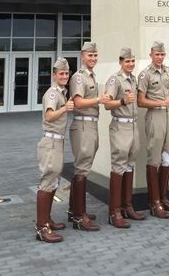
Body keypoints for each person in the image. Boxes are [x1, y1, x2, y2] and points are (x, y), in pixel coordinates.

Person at [68, 42, 110, 231]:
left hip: (90, 124)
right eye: (89, 56)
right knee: (82, 169)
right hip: (83, 124)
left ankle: (74, 210)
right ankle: (79, 216)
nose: (93, 59)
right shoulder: (79, 77)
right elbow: (78, 101)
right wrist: (98, 100)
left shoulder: (91, 76)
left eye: (95, 55)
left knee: (83, 168)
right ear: (82, 56)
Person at [137, 40, 169, 218]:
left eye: (162, 54)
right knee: (154, 159)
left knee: (168, 157)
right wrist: (161, 103)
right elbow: (140, 101)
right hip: (154, 116)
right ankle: (154, 203)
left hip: (168, 116)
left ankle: (163, 198)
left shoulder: (168, 71)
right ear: (151, 55)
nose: (160, 57)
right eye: (157, 54)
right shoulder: (145, 74)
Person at [104, 47, 146, 228]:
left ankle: (127, 206)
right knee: (119, 165)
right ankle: (114, 212)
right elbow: (106, 104)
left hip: (133, 124)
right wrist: (122, 101)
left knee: (130, 164)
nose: (130, 64)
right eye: (127, 61)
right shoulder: (115, 79)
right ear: (120, 62)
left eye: (132, 61)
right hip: (120, 125)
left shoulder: (134, 79)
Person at [36, 57, 75, 243]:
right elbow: (49, 115)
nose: (65, 76)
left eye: (67, 73)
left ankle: (48, 219)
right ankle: (42, 227)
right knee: (47, 182)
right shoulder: (52, 94)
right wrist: (65, 108)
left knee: (53, 182)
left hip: (57, 142)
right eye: (61, 73)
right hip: (50, 142)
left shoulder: (62, 92)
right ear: (54, 75)